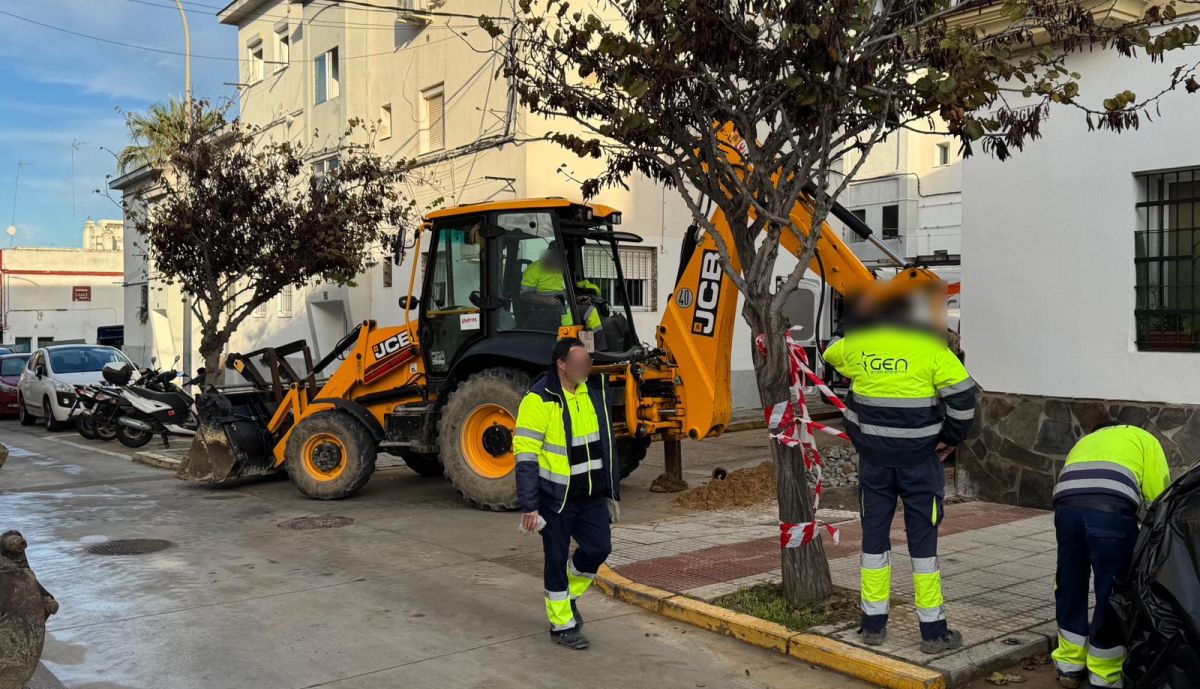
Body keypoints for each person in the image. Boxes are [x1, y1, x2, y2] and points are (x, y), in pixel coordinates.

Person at [822, 312, 977, 654]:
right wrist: (949, 439)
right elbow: (964, 398)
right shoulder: (933, 350)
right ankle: (933, 633)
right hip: (921, 463)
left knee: (874, 541)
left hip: (874, 462)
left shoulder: (861, 345)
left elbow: (830, 350)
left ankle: (873, 626)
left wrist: (853, 322)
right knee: (924, 547)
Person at [513, 337, 619, 650]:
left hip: (591, 495)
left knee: (599, 548)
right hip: (555, 498)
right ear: (562, 364)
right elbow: (526, 454)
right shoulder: (538, 400)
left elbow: (606, 444)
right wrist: (529, 504)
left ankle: (568, 596)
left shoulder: (592, 393)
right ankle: (562, 625)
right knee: (556, 560)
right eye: (579, 361)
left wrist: (611, 490)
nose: (586, 366)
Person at [1050, 422, 1170, 689]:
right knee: (1113, 591)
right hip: (1110, 510)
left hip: (1066, 508)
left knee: (1069, 582)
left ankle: (1069, 667)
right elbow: (1159, 499)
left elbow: (1068, 482)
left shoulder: (1085, 441)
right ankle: (1104, 675)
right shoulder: (1144, 439)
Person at [520, 242, 603, 330]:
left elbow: (562, 293)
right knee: (583, 315)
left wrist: (576, 299)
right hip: (541, 311)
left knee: (592, 310)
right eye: (559, 256)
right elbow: (524, 295)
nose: (561, 260)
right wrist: (546, 300)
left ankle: (593, 341)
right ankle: (569, 339)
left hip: (561, 309)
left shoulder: (560, 269)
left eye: (563, 257)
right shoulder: (534, 269)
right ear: (550, 253)